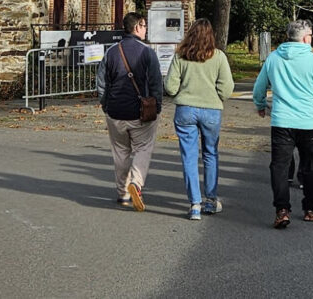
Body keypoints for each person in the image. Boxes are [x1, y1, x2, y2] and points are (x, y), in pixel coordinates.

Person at [252, 20, 313, 228]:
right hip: (307, 122)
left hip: (281, 121)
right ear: (306, 38)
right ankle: (310, 209)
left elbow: (259, 86)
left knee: (279, 166)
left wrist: (260, 104)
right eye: (311, 35)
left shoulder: (273, 58)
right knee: (310, 166)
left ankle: (282, 209)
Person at [163, 18, 234, 220]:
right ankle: (211, 200)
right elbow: (227, 89)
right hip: (211, 110)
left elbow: (170, 87)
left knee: (189, 156)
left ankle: (194, 204)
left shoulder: (180, 56)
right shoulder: (219, 57)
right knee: (211, 154)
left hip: (185, 109)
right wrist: (216, 95)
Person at [95, 12, 163, 211]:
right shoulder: (147, 53)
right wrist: (156, 107)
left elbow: (101, 83)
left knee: (120, 152)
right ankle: (136, 182)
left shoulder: (111, 52)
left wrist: (105, 105)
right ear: (137, 27)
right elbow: (156, 83)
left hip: (115, 111)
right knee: (143, 147)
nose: (146, 29)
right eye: (144, 26)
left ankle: (122, 193)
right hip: (140, 111)